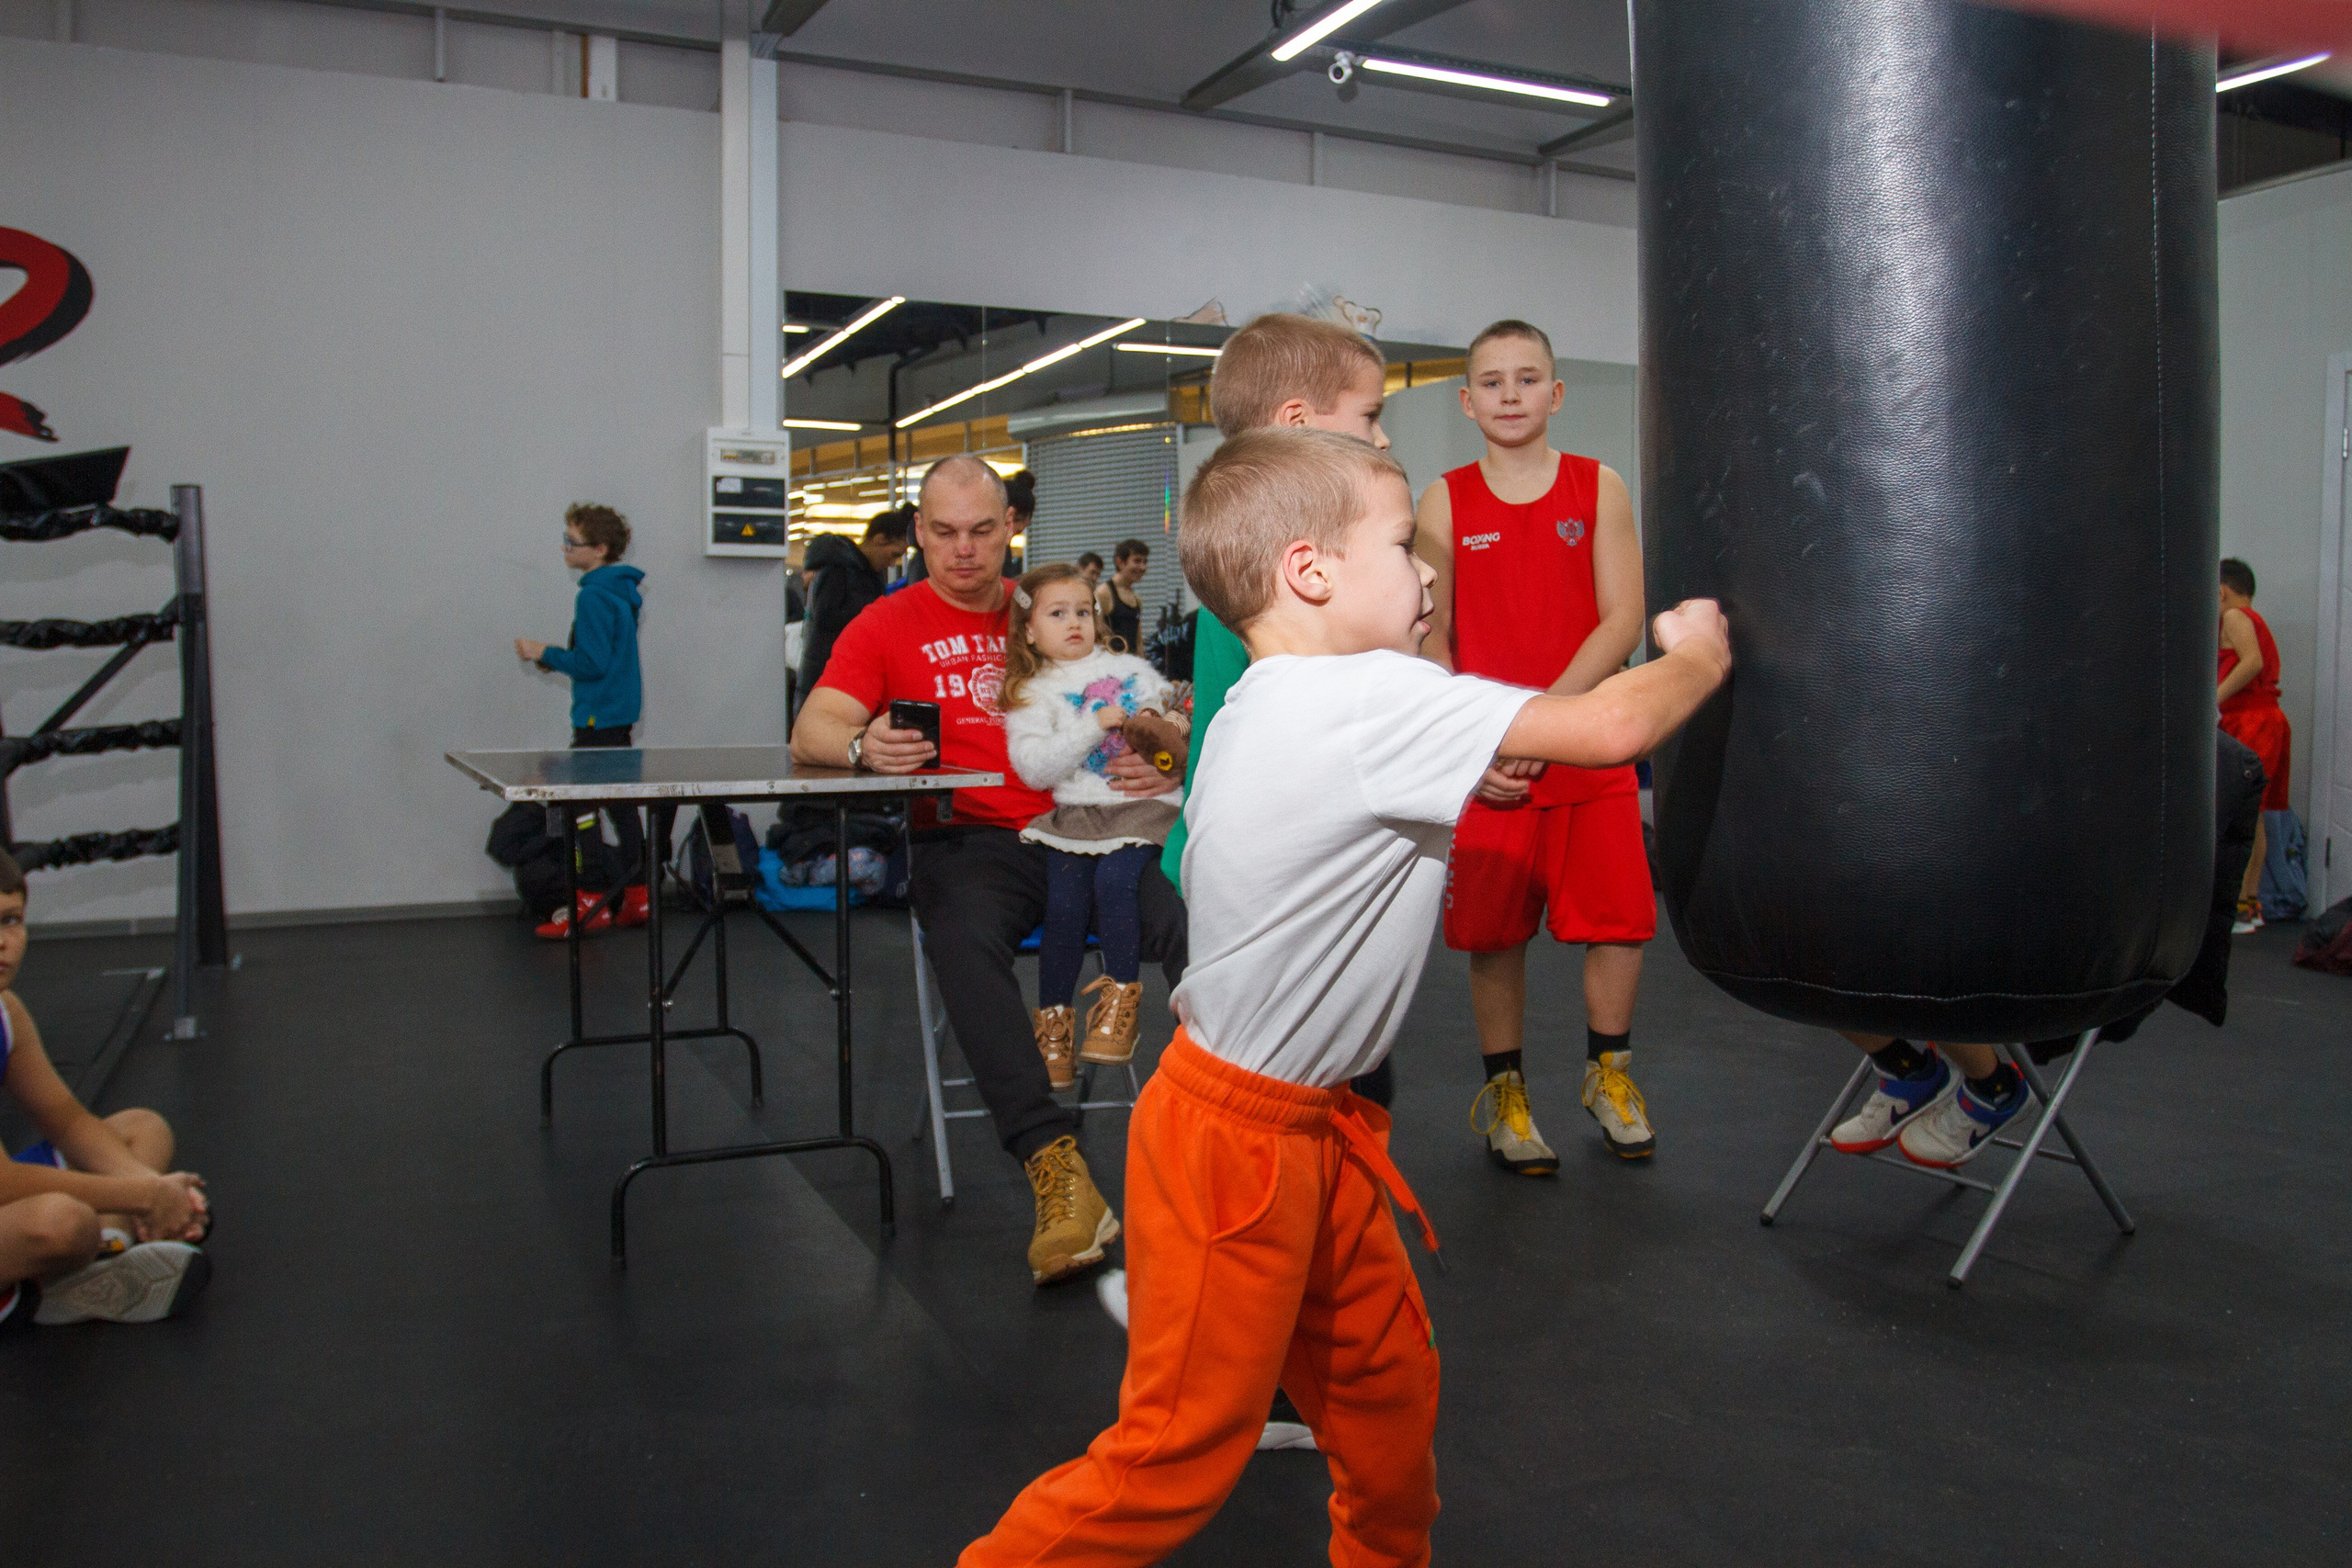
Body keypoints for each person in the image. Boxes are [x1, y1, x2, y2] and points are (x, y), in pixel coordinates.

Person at [959, 427, 1732, 1568]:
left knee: (1382, 1391)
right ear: (1312, 572)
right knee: (1174, 1454)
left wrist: (1476, 768)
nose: (1429, 571)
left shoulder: (1270, 702)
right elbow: (1614, 726)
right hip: (1241, 1146)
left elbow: (1355, 807)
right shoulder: (1373, 694)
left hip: (1309, 1129)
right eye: (1399, 544)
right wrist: (1698, 654)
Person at [788, 454, 1185, 1285]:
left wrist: (1161, 758)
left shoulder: (1055, 606)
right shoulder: (885, 623)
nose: (964, 551)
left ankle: (1227, 1141)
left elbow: (1146, 714)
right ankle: (1056, 1166)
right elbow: (813, 726)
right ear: (918, 531)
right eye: (943, 532)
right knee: (962, 939)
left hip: (1090, 826)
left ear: (1012, 527)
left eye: (981, 531)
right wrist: (863, 746)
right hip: (971, 842)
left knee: (1192, 923)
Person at [1141, 310, 1396, 1454]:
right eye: (1370, 420)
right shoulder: (1298, 562)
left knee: (1310, 1121)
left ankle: (1279, 1354)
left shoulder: (1245, 539)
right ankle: (1275, 1370)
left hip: (1231, 868)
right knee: (1304, 1124)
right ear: (1301, 428)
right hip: (1283, 888)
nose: (1383, 442)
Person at [1416, 319, 1657, 1172]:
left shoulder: (1601, 486)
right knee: (1494, 932)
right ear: (1467, 400)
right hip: (1489, 758)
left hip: (1585, 741)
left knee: (1618, 922)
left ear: (1555, 394)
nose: (1509, 394)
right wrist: (1476, 745)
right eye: (1492, 381)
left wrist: (1545, 719)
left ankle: (1609, 1075)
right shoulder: (1442, 500)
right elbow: (1430, 635)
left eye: (1527, 379)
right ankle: (1507, 1098)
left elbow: (1623, 618)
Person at [0, 850, 213, 1327]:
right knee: (61, 1222)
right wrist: (140, 1196)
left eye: (11, 921)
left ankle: (103, 1257)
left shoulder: (5, 1011)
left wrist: (152, 1186)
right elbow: (4, 1183)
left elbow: (69, 1121)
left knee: (142, 1129)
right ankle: (92, 1253)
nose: (3, 943)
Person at [1000, 563, 1187, 1089]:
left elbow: (1163, 701)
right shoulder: (1034, 692)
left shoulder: (1127, 667)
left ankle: (1118, 1002)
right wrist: (1091, 725)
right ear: (1030, 631)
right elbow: (1034, 767)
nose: (1075, 623)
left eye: (1084, 611)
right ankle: (1053, 1026)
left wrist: (1155, 716)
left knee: (1115, 882)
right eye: (1058, 614)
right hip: (1078, 816)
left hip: (1140, 810)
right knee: (1063, 904)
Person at [514, 502, 648, 938]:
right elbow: (605, 658)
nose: (566, 548)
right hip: (619, 717)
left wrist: (544, 653)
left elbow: (591, 663)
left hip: (595, 720)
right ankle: (639, 898)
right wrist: (562, 661)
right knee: (624, 809)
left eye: (574, 543)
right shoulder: (621, 593)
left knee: (582, 810)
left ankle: (589, 904)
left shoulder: (591, 594)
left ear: (601, 549)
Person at [2218, 557, 2290, 933]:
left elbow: (2252, 663)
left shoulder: (2233, 618)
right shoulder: (2254, 621)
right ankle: (2247, 904)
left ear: (2222, 592)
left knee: (2242, 814)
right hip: (2263, 720)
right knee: (2253, 814)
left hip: (2252, 721)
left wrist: (2212, 700)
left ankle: (2242, 906)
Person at [797, 506, 911, 717]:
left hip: (852, 673)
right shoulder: (839, 570)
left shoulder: (869, 573)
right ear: (878, 539)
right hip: (827, 675)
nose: (893, 562)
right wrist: (873, 618)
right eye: (895, 554)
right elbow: (827, 618)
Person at [1095, 537, 1148, 653]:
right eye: (1137, 561)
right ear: (1120, 562)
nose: (1143, 567)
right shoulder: (1102, 593)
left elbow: (1138, 641)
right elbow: (1095, 634)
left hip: (1131, 664)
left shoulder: (1137, 599)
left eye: (1145, 562)